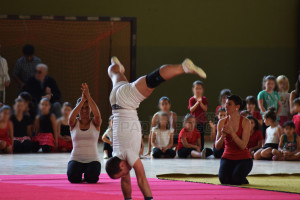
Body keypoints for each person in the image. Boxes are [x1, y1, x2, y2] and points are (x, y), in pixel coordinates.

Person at [105, 56, 206, 200]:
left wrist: (149, 199)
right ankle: (116, 64)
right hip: (114, 101)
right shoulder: (117, 155)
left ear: (121, 165)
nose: (125, 174)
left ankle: (183, 67)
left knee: (154, 79)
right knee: (114, 73)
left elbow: (141, 179)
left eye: (122, 172)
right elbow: (125, 181)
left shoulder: (128, 155)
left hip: (126, 101)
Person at [67, 83, 102, 184]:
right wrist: (82, 101)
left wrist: (88, 97)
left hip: (93, 160)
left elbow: (98, 115)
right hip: (76, 159)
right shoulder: (74, 123)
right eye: (82, 108)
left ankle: (87, 175)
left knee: (92, 179)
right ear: (78, 109)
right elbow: (70, 119)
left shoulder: (95, 123)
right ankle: (81, 175)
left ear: (90, 109)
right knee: (73, 178)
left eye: (87, 107)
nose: (84, 110)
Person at [215, 95, 252, 185]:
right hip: (228, 157)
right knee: (224, 180)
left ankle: (241, 177)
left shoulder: (246, 122)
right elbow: (217, 146)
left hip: (244, 159)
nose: (226, 106)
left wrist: (232, 133)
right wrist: (223, 136)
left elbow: (243, 146)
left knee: (236, 180)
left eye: (229, 104)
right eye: (226, 104)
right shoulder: (221, 122)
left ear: (237, 107)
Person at [188, 80, 208, 151]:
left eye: (200, 88)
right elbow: (191, 110)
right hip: (193, 122)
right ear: (193, 89)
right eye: (196, 88)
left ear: (202, 90)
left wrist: (201, 103)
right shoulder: (191, 99)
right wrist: (197, 103)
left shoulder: (204, 99)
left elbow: (205, 109)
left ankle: (201, 149)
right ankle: (193, 149)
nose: (198, 90)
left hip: (202, 121)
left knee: (201, 136)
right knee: (193, 135)